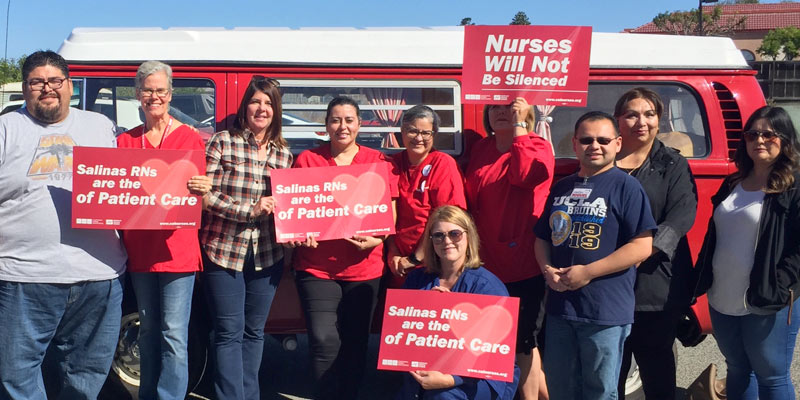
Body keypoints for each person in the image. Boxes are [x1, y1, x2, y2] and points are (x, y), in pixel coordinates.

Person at [0, 50, 128, 400]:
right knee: (16, 375)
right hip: (24, 277)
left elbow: (133, 183)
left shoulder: (100, 126)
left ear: (70, 85)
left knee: (87, 376)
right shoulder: (6, 128)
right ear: (24, 89)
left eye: (55, 80)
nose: (47, 88)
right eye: (37, 82)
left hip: (98, 277)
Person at [534, 111, 656, 400]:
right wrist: (546, 270)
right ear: (575, 144)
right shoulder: (562, 187)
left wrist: (588, 272)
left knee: (600, 392)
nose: (594, 146)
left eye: (603, 140)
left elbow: (642, 246)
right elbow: (541, 238)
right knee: (561, 389)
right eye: (587, 140)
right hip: (561, 309)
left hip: (604, 312)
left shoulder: (627, 187)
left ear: (617, 143)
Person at [288, 96, 398, 399]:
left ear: (360, 125)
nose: (342, 126)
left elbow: (390, 210)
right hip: (316, 266)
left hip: (364, 268)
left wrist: (380, 238)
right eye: (335, 120)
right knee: (323, 341)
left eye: (349, 120)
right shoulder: (308, 160)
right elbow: (297, 210)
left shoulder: (378, 162)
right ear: (325, 125)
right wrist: (299, 233)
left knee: (355, 342)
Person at [115, 60, 209, 400]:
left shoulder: (189, 137)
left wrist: (203, 186)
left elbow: (200, 193)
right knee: (148, 331)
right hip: (139, 251)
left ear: (170, 95)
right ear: (138, 95)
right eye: (147, 90)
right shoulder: (125, 141)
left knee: (174, 334)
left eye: (161, 90)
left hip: (178, 251)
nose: (154, 96)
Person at [692, 105, 800, 399]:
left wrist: (780, 284)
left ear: (785, 140)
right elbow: (715, 237)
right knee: (738, 368)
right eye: (752, 134)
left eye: (769, 134)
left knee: (772, 376)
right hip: (722, 296)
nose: (760, 140)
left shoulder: (793, 187)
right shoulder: (733, 183)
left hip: (767, 299)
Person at [199, 75, 292, 400]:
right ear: (245, 106)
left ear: (276, 110)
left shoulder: (284, 155)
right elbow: (203, 195)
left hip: (268, 256)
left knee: (255, 333)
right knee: (228, 333)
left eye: (268, 103)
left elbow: (291, 206)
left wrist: (298, 228)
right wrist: (248, 210)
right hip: (223, 252)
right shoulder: (222, 142)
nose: (261, 108)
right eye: (255, 101)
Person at [464, 97, 554, 399]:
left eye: (510, 106)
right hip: (486, 261)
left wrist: (519, 129)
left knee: (524, 340)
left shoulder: (538, 145)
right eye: (495, 107)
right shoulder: (482, 149)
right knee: (496, 337)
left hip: (523, 261)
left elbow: (526, 175)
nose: (502, 112)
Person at [612, 88, 698, 400]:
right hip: (607, 286)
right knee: (610, 373)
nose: (641, 121)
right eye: (632, 114)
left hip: (655, 287)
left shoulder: (673, 165)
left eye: (649, 114)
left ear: (659, 120)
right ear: (618, 120)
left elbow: (679, 219)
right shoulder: (603, 161)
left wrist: (636, 255)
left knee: (657, 371)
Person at [396, 205, 520, 399]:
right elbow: (399, 334)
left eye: (455, 234)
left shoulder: (488, 287)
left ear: (468, 236)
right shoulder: (417, 280)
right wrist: (428, 311)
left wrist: (450, 379)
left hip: (478, 377)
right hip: (425, 370)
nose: (447, 241)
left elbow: (494, 353)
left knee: (442, 396)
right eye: (438, 236)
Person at [387, 104, 467, 281]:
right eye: (412, 131)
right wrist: (393, 253)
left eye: (426, 133)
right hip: (397, 263)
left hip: (432, 263)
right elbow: (385, 216)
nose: (418, 138)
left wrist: (415, 259)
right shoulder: (393, 163)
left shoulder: (443, 164)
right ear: (402, 131)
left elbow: (448, 219)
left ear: (434, 135)